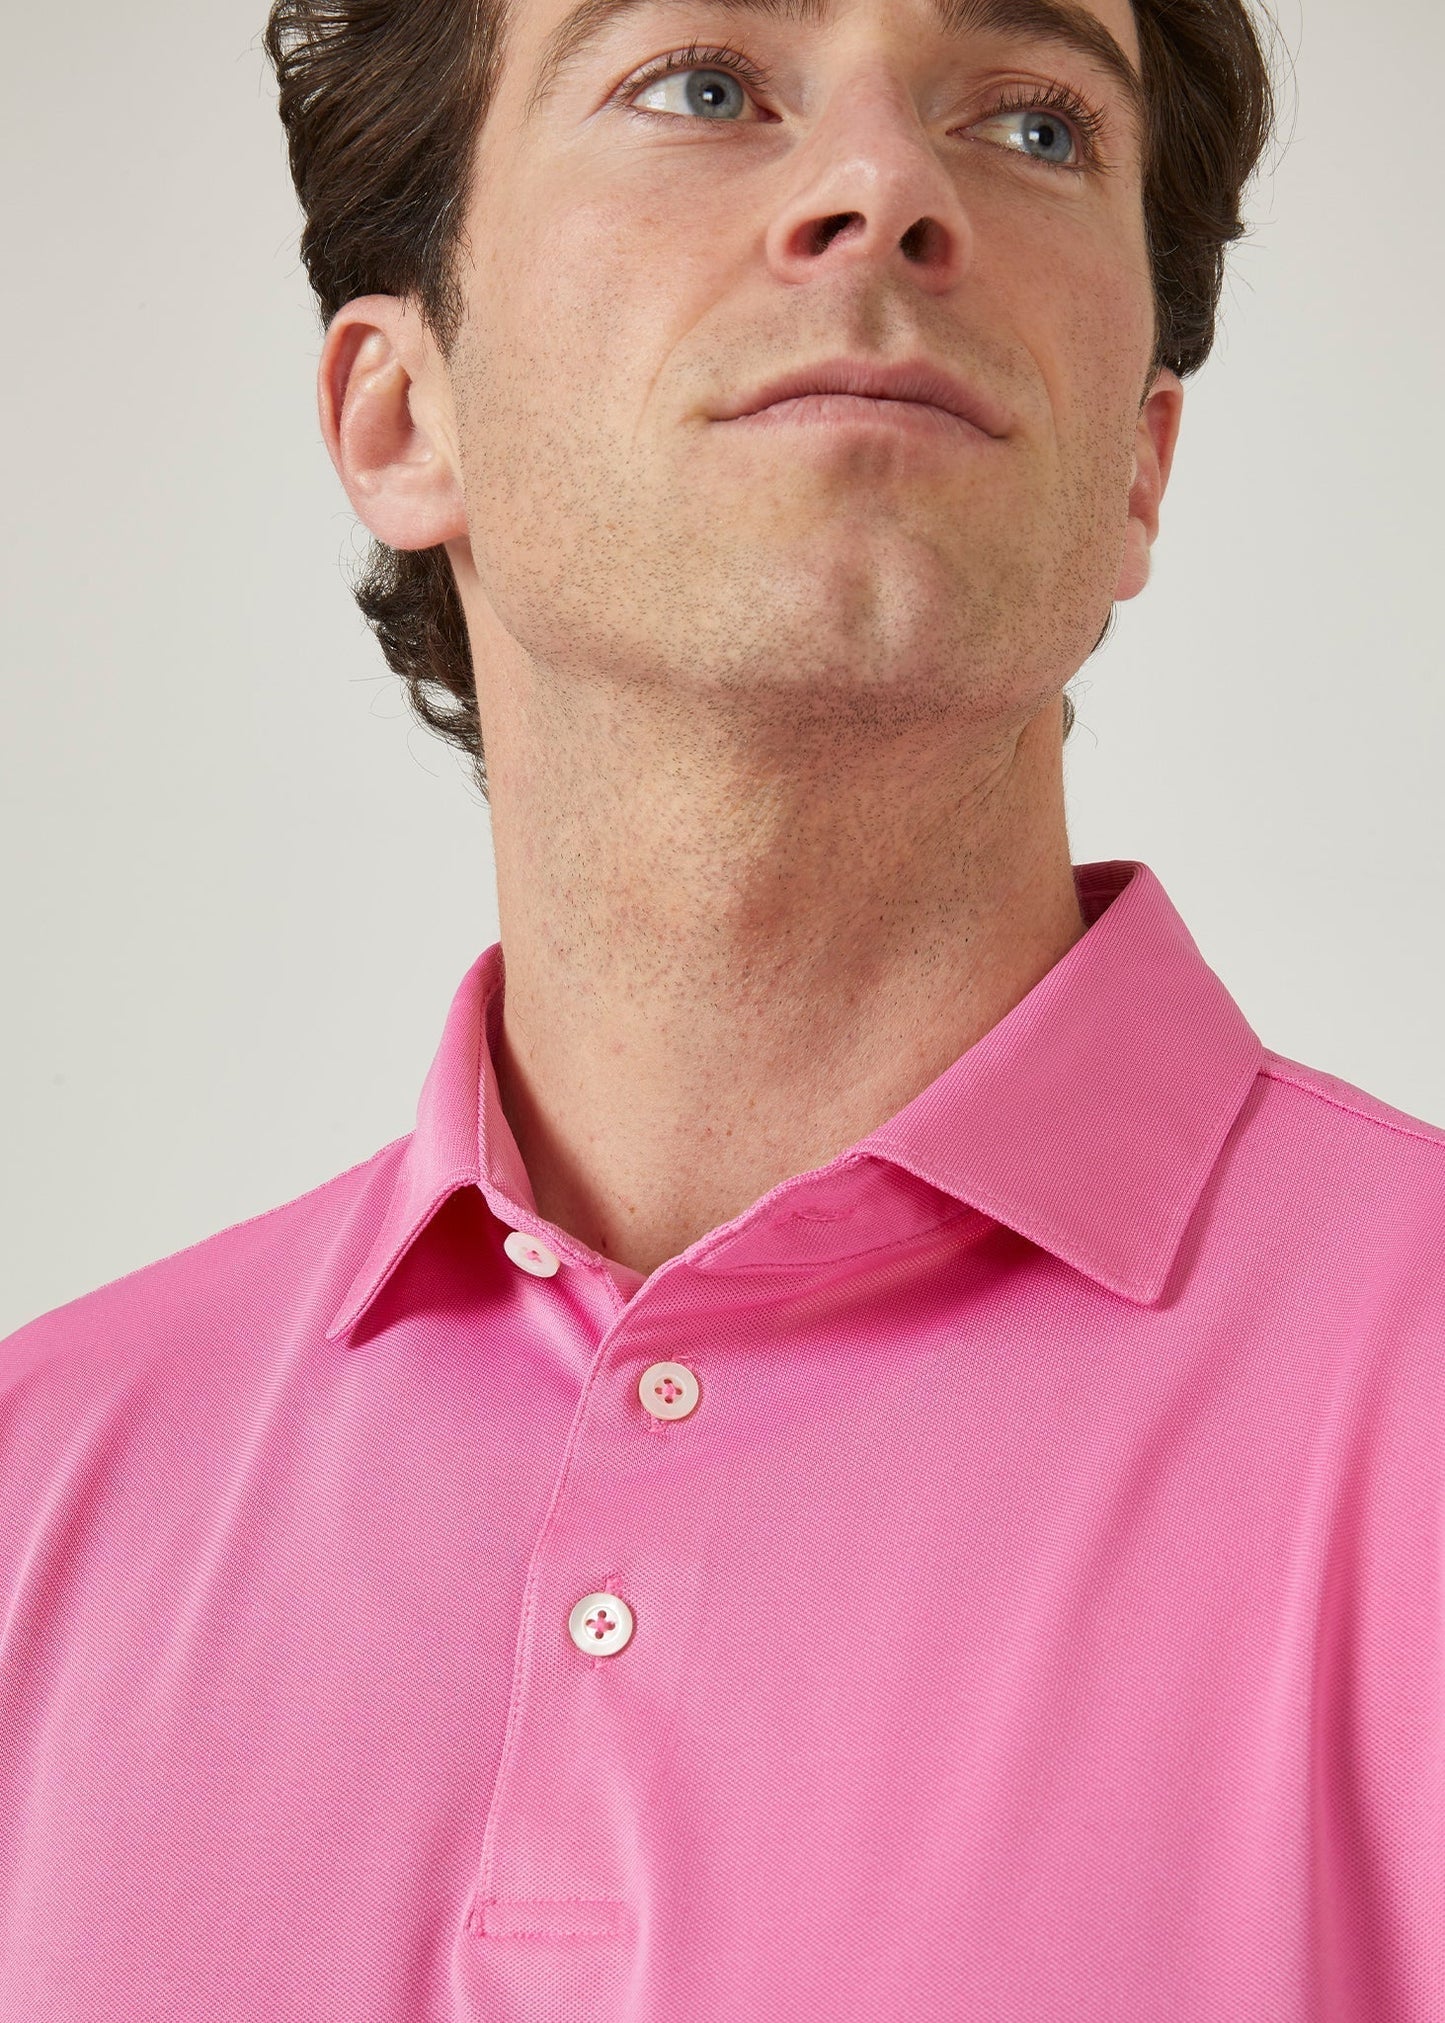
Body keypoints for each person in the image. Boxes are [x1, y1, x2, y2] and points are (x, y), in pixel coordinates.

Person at [2, 0, 1441, 2017]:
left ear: (1139, 466)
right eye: (700, 86)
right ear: (403, 416)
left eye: (1034, 124)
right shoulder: (32, 1492)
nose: (888, 188)